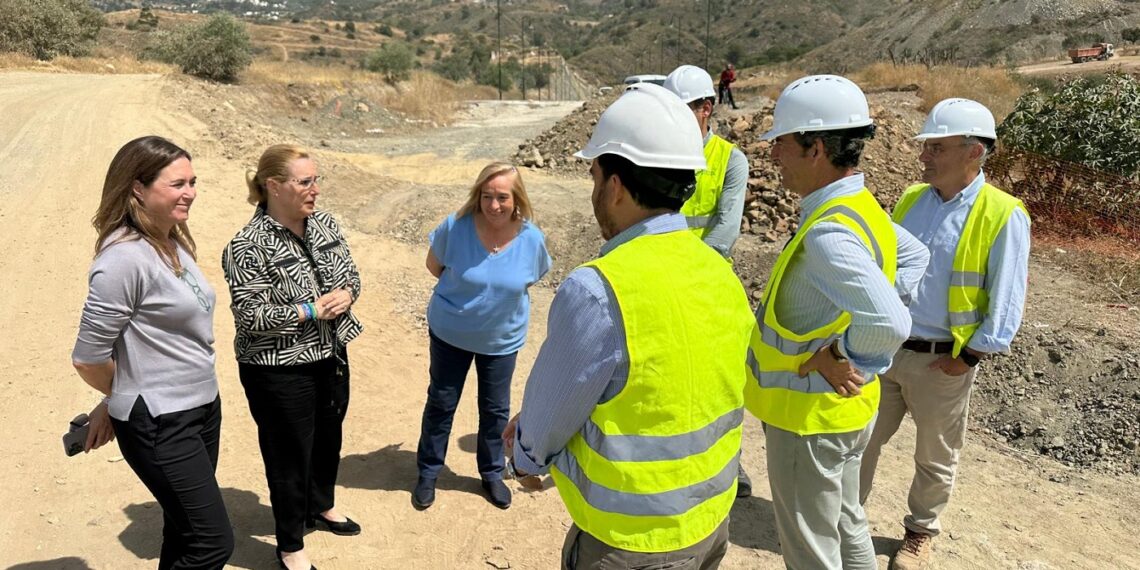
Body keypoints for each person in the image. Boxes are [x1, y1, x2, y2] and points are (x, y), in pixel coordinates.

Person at [504, 83, 756, 569]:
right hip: (709, 525)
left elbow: (544, 423)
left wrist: (527, 461)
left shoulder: (599, 290)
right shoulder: (717, 271)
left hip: (630, 545)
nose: (594, 190)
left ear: (615, 185)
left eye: (594, 175)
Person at [744, 75, 930, 570]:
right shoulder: (858, 208)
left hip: (809, 422)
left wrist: (843, 354)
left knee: (811, 551)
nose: (775, 155)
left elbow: (888, 322)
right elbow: (915, 256)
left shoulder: (829, 232)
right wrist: (854, 329)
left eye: (782, 143)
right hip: (847, 413)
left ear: (816, 148)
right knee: (848, 526)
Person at [859, 99, 1030, 570]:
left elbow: (1007, 295)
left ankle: (919, 534)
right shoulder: (913, 199)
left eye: (936, 147)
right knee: (861, 440)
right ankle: (847, 524)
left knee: (935, 455)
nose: (923, 156)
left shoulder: (1003, 213)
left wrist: (970, 357)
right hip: (887, 349)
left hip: (943, 360)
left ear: (973, 152)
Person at [72, 135, 234, 569]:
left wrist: (116, 396)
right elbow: (88, 357)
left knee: (183, 529)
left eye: (193, 181)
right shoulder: (123, 259)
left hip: (201, 407)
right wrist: (118, 397)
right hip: (162, 422)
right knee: (212, 543)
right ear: (137, 188)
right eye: (178, 183)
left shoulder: (171, 238)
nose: (191, 193)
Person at [222, 144, 363, 570]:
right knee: (288, 454)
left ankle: (320, 505)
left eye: (316, 180)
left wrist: (348, 293)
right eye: (306, 182)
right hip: (278, 368)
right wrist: (309, 310)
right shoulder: (247, 246)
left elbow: (351, 272)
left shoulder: (324, 224)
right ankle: (290, 545)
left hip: (330, 353)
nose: (315, 189)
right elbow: (250, 317)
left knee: (327, 438)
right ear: (274, 186)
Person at [413, 162, 551, 511]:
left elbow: (529, 278)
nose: (493, 205)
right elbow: (435, 266)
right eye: (486, 196)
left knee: (495, 410)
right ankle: (428, 472)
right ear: (477, 195)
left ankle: (491, 473)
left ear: (517, 199)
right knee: (442, 402)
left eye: (502, 197)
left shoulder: (531, 239)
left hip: (500, 342)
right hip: (450, 334)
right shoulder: (454, 227)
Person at [663, 63, 754, 496]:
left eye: (687, 108)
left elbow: (724, 231)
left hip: (707, 285)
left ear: (707, 108)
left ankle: (729, 462)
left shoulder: (729, 161)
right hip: (660, 283)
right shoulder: (657, 153)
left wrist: (683, 275)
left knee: (719, 383)